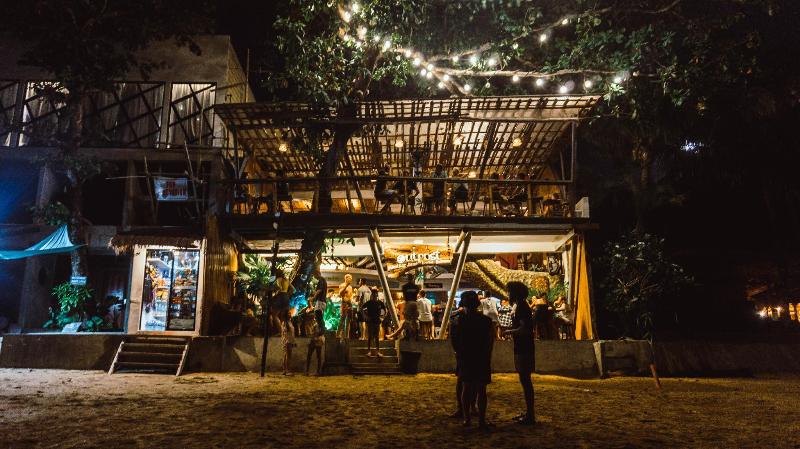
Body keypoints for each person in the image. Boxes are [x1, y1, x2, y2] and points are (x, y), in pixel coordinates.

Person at [452, 291, 494, 429]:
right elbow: (490, 341)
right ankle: (481, 420)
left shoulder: (458, 321)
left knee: (466, 387)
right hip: (481, 357)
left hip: (466, 357)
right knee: (481, 389)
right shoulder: (486, 321)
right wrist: (487, 354)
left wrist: (459, 353)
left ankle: (467, 418)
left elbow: (454, 341)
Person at [503, 281, 535, 425]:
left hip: (524, 347)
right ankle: (529, 413)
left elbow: (525, 329)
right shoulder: (521, 305)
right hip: (522, 346)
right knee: (524, 380)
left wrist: (510, 331)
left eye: (509, 291)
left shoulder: (522, 307)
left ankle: (530, 415)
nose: (508, 294)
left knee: (525, 380)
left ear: (515, 293)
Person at [361, 288, 387, 356]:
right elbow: (362, 308)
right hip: (370, 321)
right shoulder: (369, 302)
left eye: (375, 294)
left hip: (377, 321)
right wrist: (365, 316)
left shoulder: (379, 302)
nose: (374, 295)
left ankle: (377, 351)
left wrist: (382, 317)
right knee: (370, 336)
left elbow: (385, 309)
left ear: (377, 295)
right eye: (373, 294)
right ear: (372, 295)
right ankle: (369, 351)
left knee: (377, 337)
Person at [305, 311, 325, 376]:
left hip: (317, 340)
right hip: (315, 340)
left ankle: (315, 371)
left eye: (315, 315)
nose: (314, 316)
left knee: (313, 356)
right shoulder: (317, 322)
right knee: (314, 356)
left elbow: (322, 332)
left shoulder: (320, 323)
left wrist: (315, 334)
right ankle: (313, 371)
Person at [279, 308, 296, 376]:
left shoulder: (289, 322)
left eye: (290, 313)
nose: (290, 314)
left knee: (286, 355)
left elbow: (291, 334)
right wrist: (288, 341)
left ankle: (285, 370)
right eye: (288, 313)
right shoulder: (285, 323)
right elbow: (285, 334)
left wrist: (293, 342)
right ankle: (287, 370)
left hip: (289, 341)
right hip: (287, 341)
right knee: (288, 356)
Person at [337, 274, 354, 339]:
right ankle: (338, 334)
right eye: (349, 278)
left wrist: (351, 300)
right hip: (344, 304)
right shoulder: (342, 285)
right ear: (346, 278)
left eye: (351, 279)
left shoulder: (350, 287)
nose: (350, 280)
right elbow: (340, 294)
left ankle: (347, 336)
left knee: (348, 321)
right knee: (342, 320)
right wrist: (346, 285)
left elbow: (350, 295)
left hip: (349, 304)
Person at [312, 266, 328, 332]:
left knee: (318, 315)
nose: (314, 277)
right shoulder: (323, 280)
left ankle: (322, 331)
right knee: (319, 316)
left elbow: (320, 290)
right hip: (322, 301)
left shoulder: (321, 280)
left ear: (317, 274)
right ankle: (321, 330)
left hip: (320, 301)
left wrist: (314, 297)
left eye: (314, 275)